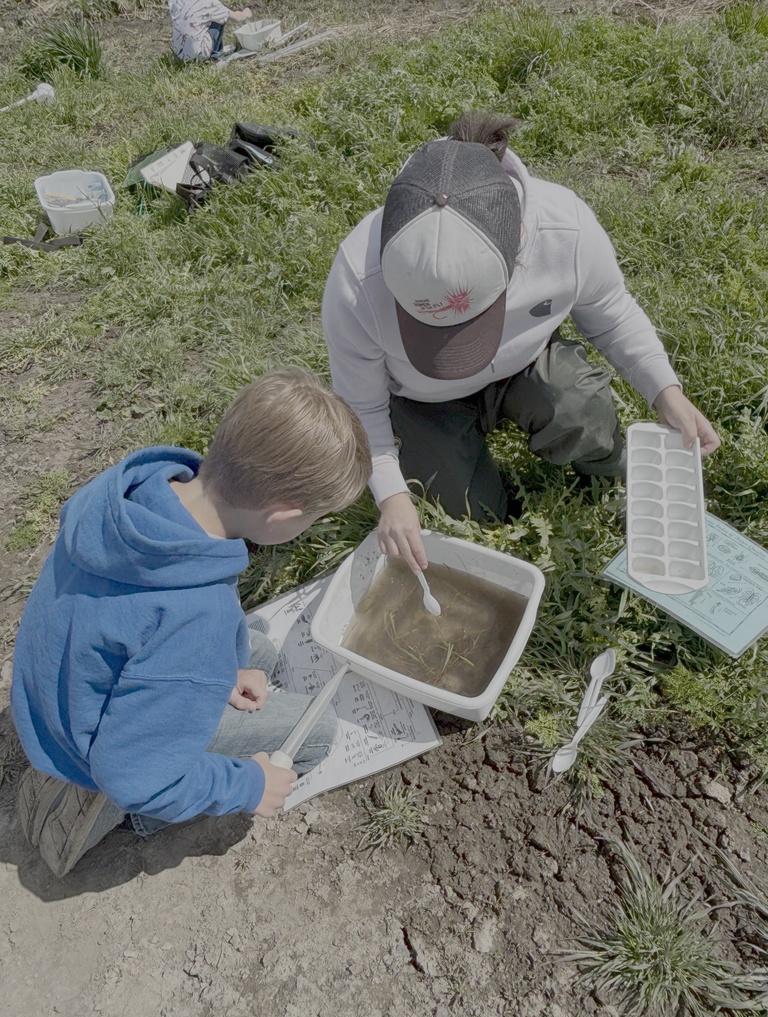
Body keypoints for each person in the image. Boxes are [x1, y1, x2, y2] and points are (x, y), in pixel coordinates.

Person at [322, 111, 720, 574]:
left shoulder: (563, 228)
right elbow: (361, 405)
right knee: (465, 510)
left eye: (474, 323)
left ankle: (607, 476)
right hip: (421, 397)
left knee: (581, 411)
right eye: (437, 330)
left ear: (520, 241)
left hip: (525, 362)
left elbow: (610, 313)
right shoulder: (356, 279)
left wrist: (665, 392)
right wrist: (391, 497)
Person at [11, 368, 372, 878]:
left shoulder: (129, 495)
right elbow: (132, 774)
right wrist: (248, 785)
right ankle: (123, 816)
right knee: (317, 729)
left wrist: (218, 673)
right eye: (313, 517)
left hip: (55, 699)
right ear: (281, 516)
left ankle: (190, 718)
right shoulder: (198, 618)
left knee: (256, 648)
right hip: (92, 755)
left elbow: (131, 627)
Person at [167, 0, 252, 62]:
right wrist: (246, 12)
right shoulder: (210, 3)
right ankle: (214, 57)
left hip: (179, 54)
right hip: (197, 55)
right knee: (219, 20)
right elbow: (238, 17)